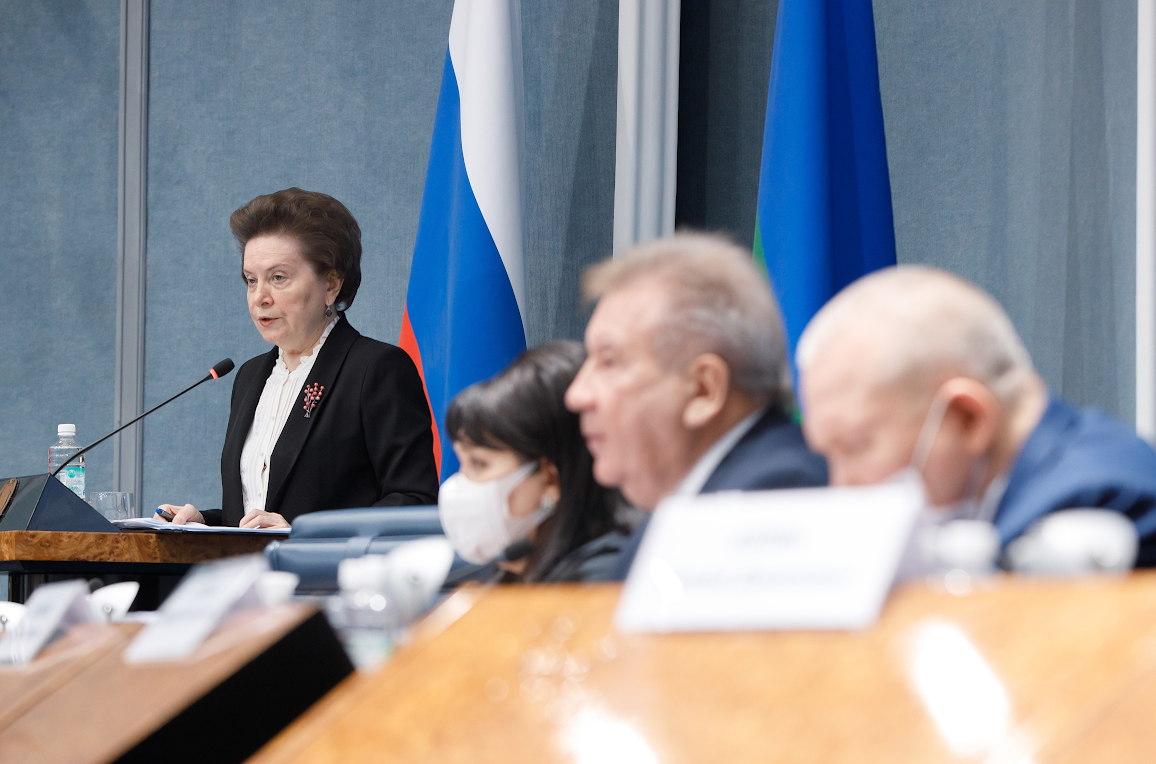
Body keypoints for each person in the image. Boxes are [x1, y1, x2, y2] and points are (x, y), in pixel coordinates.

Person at [796, 265, 1156, 565]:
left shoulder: (1098, 507)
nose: (841, 488)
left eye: (855, 445)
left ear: (969, 419)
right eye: (828, 455)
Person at [157, 188, 438, 528]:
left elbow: (414, 501)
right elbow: (260, 512)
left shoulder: (375, 369)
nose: (259, 297)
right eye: (251, 280)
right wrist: (204, 522)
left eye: (278, 278)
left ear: (331, 284)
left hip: (334, 565)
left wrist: (305, 534)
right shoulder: (250, 376)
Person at [563, 232, 829, 580]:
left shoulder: (774, 498)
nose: (576, 395)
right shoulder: (680, 512)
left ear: (704, 391)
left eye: (609, 361)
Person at [439, 341, 633, 581]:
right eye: (463, 464)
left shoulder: (601, 581)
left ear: (550, 478)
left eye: (479, 463)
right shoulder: (510, 570)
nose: (459, 484)